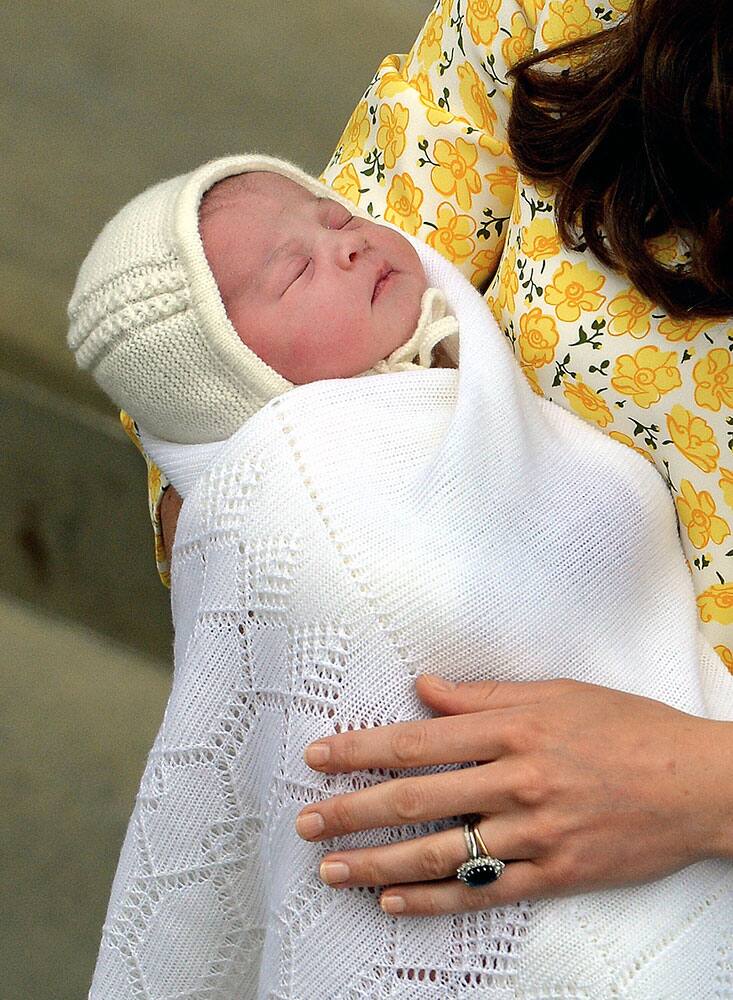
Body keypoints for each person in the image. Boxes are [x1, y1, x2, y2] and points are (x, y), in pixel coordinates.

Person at [89, 0, 733, 993]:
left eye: (334, 236)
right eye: (317, 244)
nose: (341, 242)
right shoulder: (564, 11)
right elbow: (209, 339)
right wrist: (311, 531)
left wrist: (695, 788)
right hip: (432, 780)